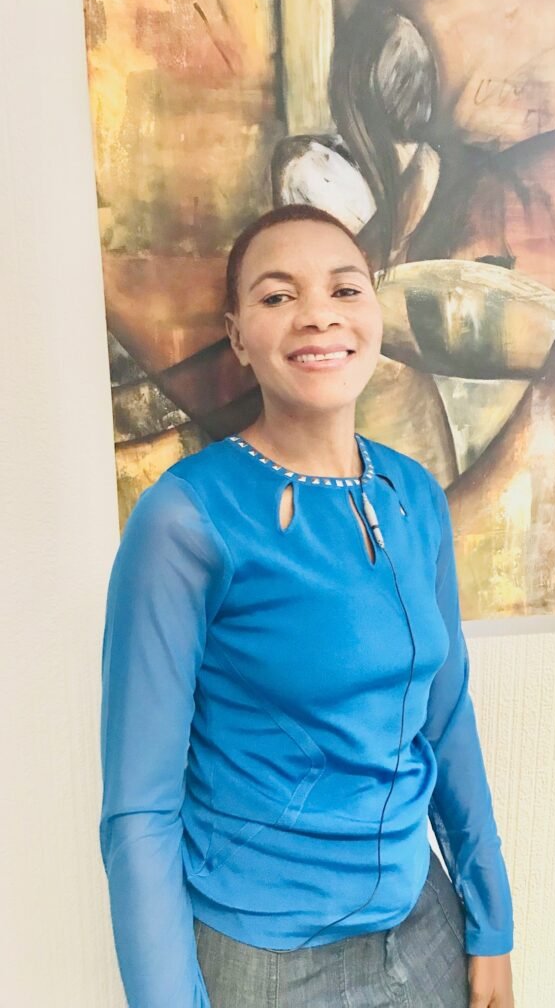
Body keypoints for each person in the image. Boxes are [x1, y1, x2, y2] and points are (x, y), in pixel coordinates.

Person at [99, 203, 515, 1007]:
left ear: (374, 312)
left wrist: (490, 921)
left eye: (344, 289)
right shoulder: (186, 519)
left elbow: (446, 719)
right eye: (278, 295)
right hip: (270, 961)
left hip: (426, 925)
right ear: (238, 335)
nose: (318, 314)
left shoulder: (415, 495)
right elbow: (139, 809)